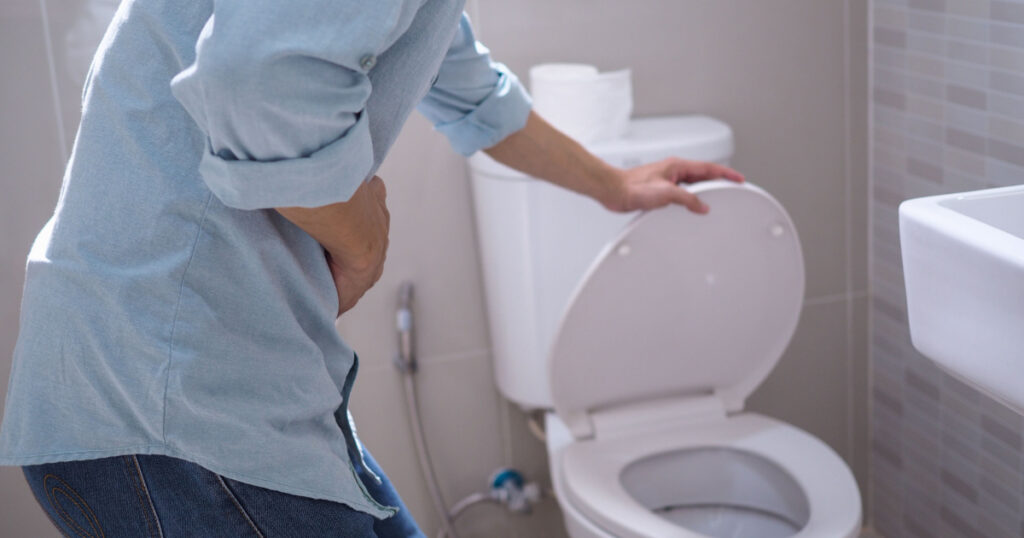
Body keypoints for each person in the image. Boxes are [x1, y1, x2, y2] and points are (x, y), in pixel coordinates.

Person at [0, 1, 744, 536]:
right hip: (165, 402)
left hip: (218, 389)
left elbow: (469, 83)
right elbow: (256, 83)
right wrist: (360, 241)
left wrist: (614, 186)